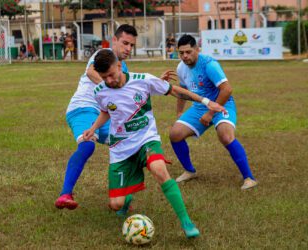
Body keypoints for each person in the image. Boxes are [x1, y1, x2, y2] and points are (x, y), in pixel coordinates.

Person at [83, 49, 225, 238]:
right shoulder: (100, 91)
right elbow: (106, 111)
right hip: (120, 148)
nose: (109, 81)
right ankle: (126, 199)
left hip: (145, 139)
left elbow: (174, 90)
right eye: (104, 77)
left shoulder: (143, 79)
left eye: (111, 75)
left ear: (119, 66)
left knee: (159, 169)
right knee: (116, 204)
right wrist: (93, 129)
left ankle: (187, 223)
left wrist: (207, 102)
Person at [54, 25, 137, 210]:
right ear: (114, 40)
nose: (128, 48)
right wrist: (111, 87)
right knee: (88, 144)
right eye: (125, 43)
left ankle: (120, 199)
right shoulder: (103, 54)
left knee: (126, 144)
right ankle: (65, 194)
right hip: (82, 107)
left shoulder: (122, 67)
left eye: (131, 45)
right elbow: (92, 72)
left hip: (103, 115)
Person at [169, 34, 257, 190]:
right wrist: (179, 113)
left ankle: (249, 178)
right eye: (181, 53)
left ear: (197, 49)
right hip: (200, 107)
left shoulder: (209, 65)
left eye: (188, 52)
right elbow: (183, 92)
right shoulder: (181, 67)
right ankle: (190, 171)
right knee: (175, 134)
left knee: (225, 135)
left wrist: (210, 114)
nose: (185, 56)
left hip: (222, 104)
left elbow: (227, 90)